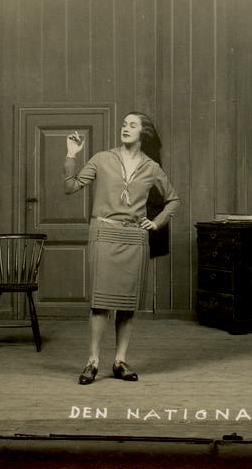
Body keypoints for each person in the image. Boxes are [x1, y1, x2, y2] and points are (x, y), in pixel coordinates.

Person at [64, 112, 179, 385]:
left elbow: (173, 200)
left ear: (143, 133)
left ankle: (119, 361)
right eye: (124, 124)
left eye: (132, 125)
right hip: (104, 234)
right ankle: (92, 362)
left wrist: (157, 222)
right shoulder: (102, 159)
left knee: (127, 306)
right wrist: (71, 154)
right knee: (100, 304)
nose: (125, 128)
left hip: (135, 239)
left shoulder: (151, 167)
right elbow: (70, 186)